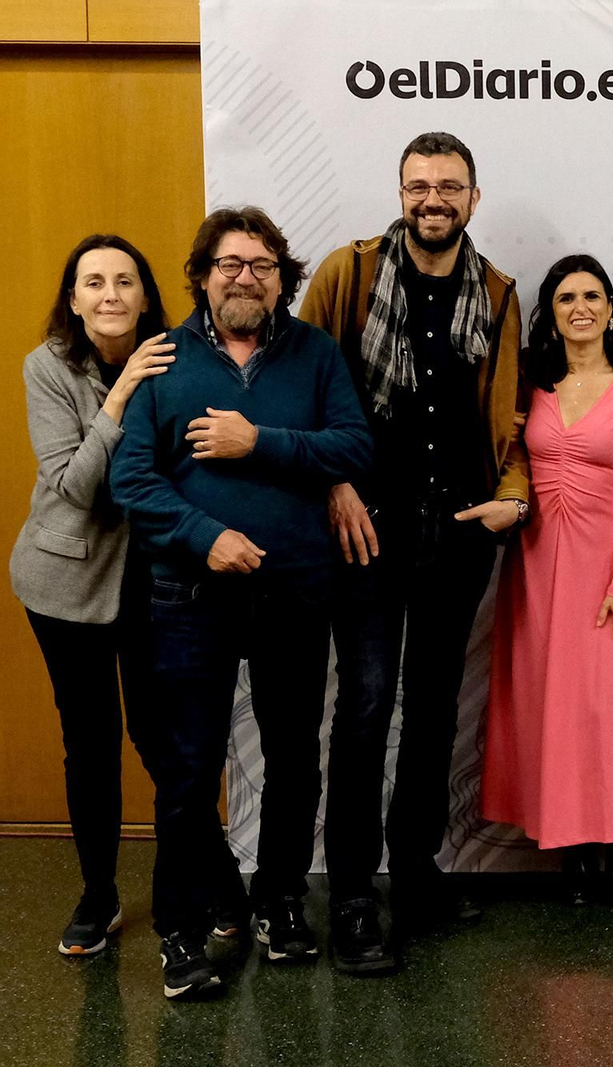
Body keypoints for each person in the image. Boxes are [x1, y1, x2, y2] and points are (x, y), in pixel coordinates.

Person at [110, 207, 372, 999]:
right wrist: (204, 535)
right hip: (190, 593)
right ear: (201, 274)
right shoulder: (164, 360)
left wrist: (258, 440)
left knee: (295, 759)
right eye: (230, 263)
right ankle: (182, 933)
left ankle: (281, 902)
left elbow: (354, 446)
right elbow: (132, 481)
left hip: (295, 591)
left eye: (261, 263)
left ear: (282, 277)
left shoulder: (316, 353)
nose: (245, 275)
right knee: (188, 770)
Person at [296, 131, 527, 972]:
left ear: (474, 196)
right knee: (362, 704)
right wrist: (332, 484)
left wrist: (514, 494)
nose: (435, 199)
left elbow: (512, 409)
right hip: (363, 527)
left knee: (433, 711)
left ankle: (417, 871)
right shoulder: (347, 273)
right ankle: (354, 893)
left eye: (451, 187)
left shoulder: (498, 291)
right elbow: (302, 388)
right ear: (400, 192)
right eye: (420, 185)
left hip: (458, 530)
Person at [11, 235, 199, 956]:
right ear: (74, 298)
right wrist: (121, 394)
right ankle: (98, 894)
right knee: (90, 743)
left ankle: (198, 883)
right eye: (94, 281)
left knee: (164, 739)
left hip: (154, 579)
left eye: (126, 280)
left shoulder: (181, 358)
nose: (111, 293)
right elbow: (75, 486)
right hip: (65, 580)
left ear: (147, 296)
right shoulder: (47, 366)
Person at [482, 255, 613, 906]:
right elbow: (509, 465)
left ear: (612, 309)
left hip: (609, 571)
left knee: (606, 708)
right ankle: (571, 848)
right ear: (551, 315)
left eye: (592, 295)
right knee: (550, 707)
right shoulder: (533, 388)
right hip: (535, 570)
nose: (580, 306)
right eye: (566, 298)